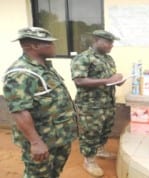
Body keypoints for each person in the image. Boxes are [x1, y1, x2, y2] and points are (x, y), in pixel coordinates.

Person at [2, 27, 78, 177]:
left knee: (53, 173)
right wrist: (36, 142)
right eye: (49, 43)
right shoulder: (21, 73)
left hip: (58, 136)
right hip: (42, 139)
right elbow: (19, 110)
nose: (54, 46)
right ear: (34, 46)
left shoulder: (44, 67)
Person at [70, 29, 124, 177]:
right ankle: (89, 160)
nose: (111, 45)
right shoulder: (83, 58)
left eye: (112, 43)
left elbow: (110, 79)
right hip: (90, 105)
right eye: (107, 42)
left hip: (107, 102)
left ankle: (100, 150)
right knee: (91, 132)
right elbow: (79, 80)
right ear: (95, 40)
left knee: (105, 129)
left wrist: (118, 80)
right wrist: (108, 80)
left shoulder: (108, 59)